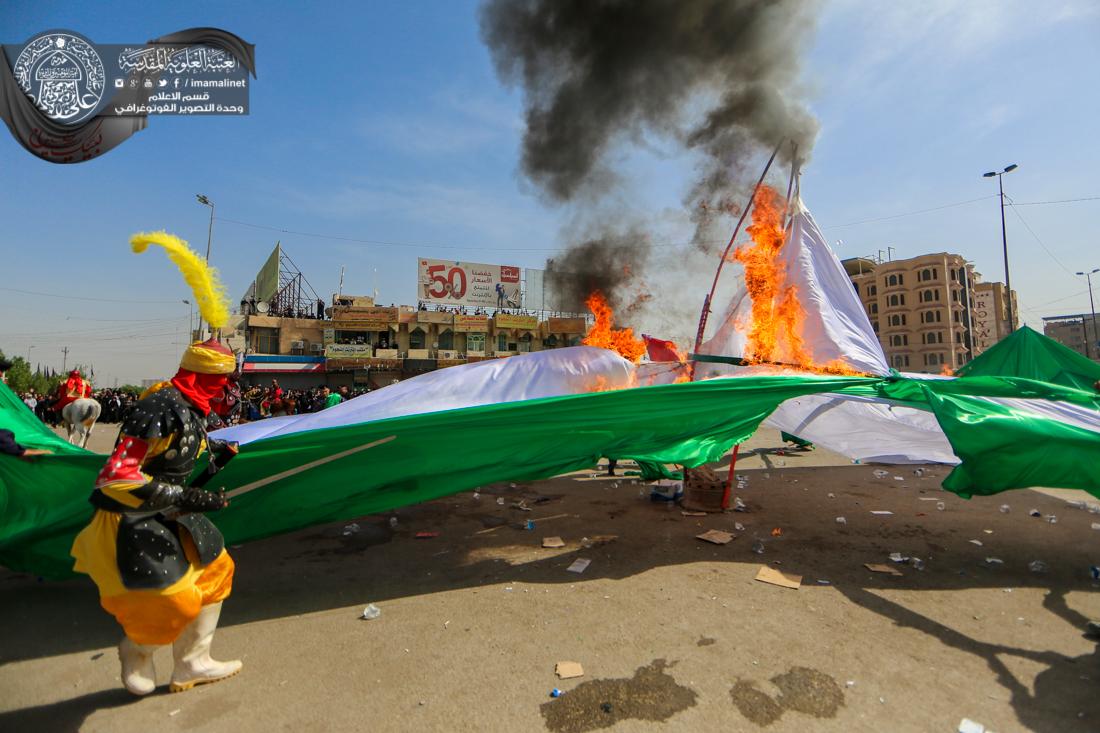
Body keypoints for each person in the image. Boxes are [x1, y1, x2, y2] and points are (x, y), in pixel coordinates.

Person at [70, 337, 241, 696]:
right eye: (220, 377)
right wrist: (188, 495)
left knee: (217, 570)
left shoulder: (191, 407)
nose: (226, 386)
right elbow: (116, 476)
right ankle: (137, 649)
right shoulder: (160, 408)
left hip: (170, 513)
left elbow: (172, 467)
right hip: (132, 517)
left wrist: (217, 462)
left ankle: (193, 661)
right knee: (175, 601)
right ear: (201, 375)